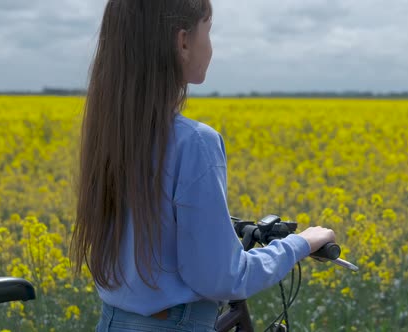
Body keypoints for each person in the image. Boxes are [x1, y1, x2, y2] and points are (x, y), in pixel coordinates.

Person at [69, 1, 336, 331]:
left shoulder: (110, 134)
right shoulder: (193, 142)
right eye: (207, 32)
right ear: (183, 42)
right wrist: (302, 243)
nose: (210, 46)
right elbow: (222, 277)